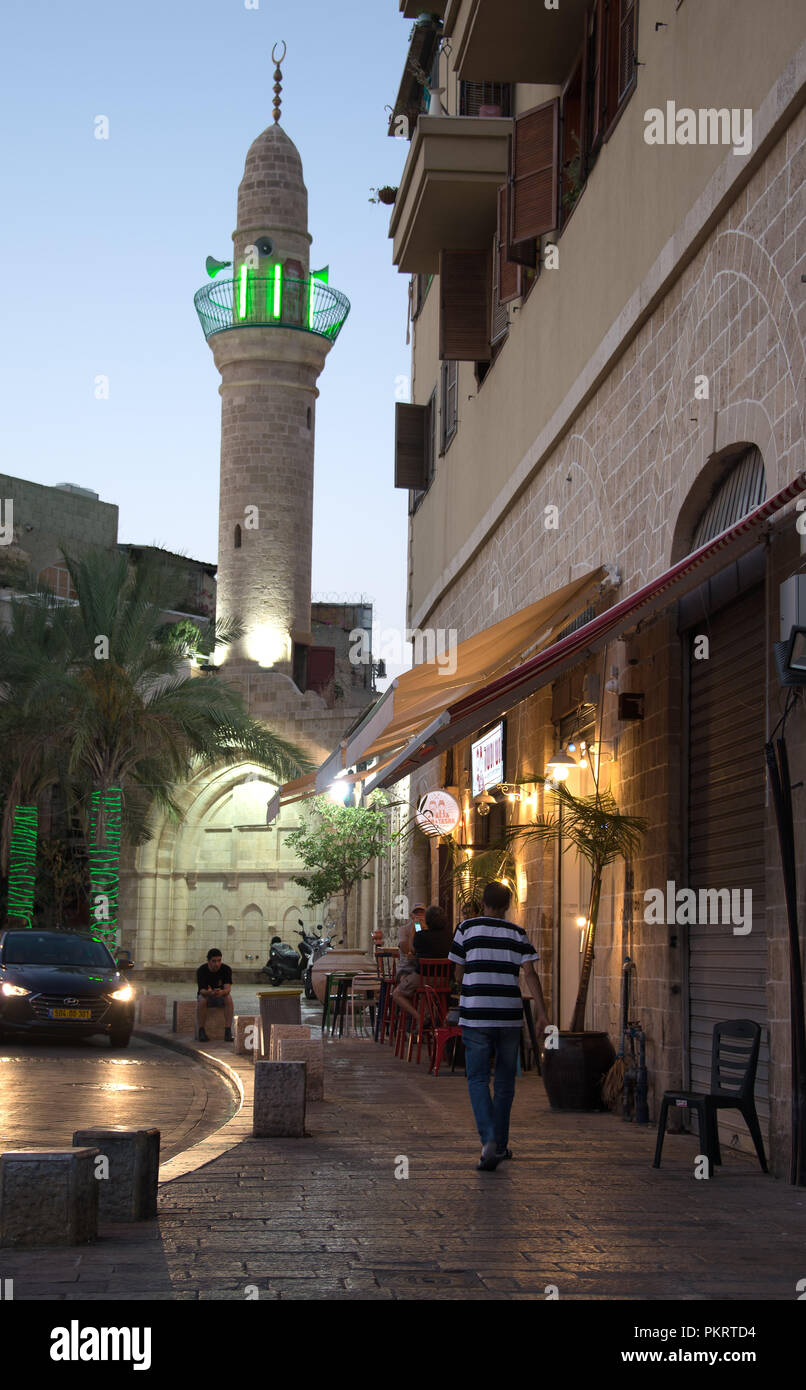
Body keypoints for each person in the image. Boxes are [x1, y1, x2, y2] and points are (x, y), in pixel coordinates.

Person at [448, 880, 549, 1171]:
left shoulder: (466, 929)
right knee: (505, 1083)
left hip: (477, 1015)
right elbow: (530, 974)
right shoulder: (517, 933)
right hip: (509, 1017)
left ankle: (489, 1139)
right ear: (507, 906)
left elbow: (457, 971)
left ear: (483, 902)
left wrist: (468, 977)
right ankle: (501, 1145)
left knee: (478, 1079)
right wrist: (542, 1013)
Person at [196, 947, 234, 1042]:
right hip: (207, 996)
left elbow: (228, 989)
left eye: (219, 961)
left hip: (220, 995)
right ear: (208, 961)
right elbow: (201, 990)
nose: (216, 964)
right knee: (202, 1000)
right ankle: (201, 1030)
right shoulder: (202, 970)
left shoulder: (226, 969)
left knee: (228, 998)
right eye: (214, 961)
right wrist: (210, 993)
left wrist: (221, 992)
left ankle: (228, 1030)